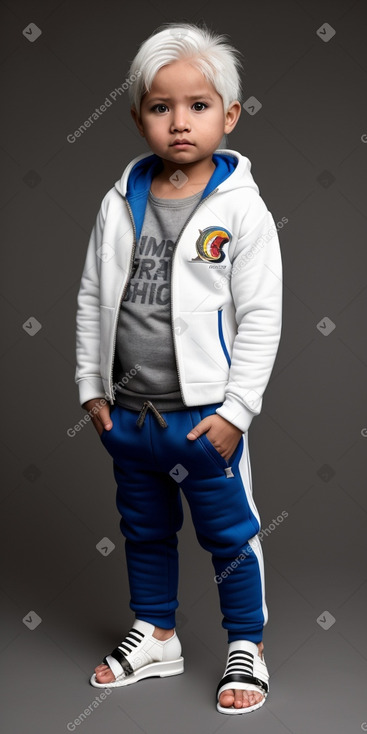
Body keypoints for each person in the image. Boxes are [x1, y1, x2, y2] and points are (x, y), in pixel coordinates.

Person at [74, 22, 282, 715]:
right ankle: (157, 632)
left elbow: (260, 319)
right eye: (160, 107)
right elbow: (91, 300)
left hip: (204, 422)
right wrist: (90, 390)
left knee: (228, 534)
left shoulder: (242, 211)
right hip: (130, 414)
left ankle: (245, 644)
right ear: (138, 117)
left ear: (228, 115)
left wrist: (235, 413)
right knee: (143, 528)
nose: (179, 122)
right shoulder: (119, 201)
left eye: (197, 106)